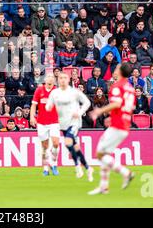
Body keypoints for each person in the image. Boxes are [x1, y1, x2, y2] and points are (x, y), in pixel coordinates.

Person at [89, 63, 135, 195]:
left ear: (120, 72)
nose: (114, 70)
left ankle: (126, 173)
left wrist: (99, 111)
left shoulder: (117, 86)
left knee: (100, 154)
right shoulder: (130, 88)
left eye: (115, 69)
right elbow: (129, 108)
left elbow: (117, 103)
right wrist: (113, 117)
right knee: (104, 154)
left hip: (118, 125)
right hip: (123, 123)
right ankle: (104, 187)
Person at [46, 72, 93, 181]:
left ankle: (77, 167)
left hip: (74, 122)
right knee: (75, 147)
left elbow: (87, 103)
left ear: (68, 80)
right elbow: (49, 106)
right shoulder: (54, 93)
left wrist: (80, 112)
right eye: (60, 78)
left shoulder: (74, 92)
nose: (62, 80)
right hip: (62, 124)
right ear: (58, 80)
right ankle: (88, 167)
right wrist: (48, 106)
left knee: (68, 142)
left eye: (64, 78)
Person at [30, 74, 60, 176]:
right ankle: (46, 168)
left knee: (56, 143)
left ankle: (54, 164)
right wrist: (32, 117)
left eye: (52, 78)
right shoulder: (39, 90)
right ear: (45, 80)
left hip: (54, 121)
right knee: (45, 146)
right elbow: (34, 105)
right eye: (49, 77)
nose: (50, 79)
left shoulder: (57, 91)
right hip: (42, 122)